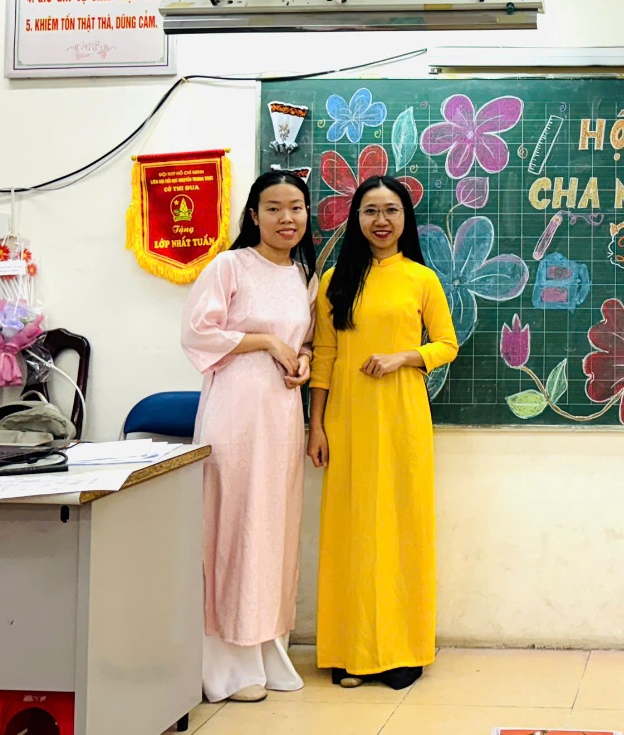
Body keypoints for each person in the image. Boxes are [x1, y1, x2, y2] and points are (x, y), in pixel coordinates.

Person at [307, 175, 458, 690]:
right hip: (347, 419)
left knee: (401, 529)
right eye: (370, 210)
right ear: (356, 218)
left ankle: (401, 651)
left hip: (402, 417)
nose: (381, 220)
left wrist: (405, 357)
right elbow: (324, 356)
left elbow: (446, 344)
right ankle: (350, 651)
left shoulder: (421, 279)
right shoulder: (333, 280)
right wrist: (316, 426)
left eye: (391, 210)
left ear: (404, 219)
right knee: (351, 532)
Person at [180, 171, 317, 704]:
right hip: (235, 412)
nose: (288, 218)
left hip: (281, 414)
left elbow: (300, 342)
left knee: (273, 527)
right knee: (233, 524)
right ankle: (227, 665)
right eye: (275, 208)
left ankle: (265, 651)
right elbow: (197, 332)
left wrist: (300, 359)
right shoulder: (229, 265)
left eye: (297, 207)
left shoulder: (302, 274)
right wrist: (263, 340)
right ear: (254, 215)